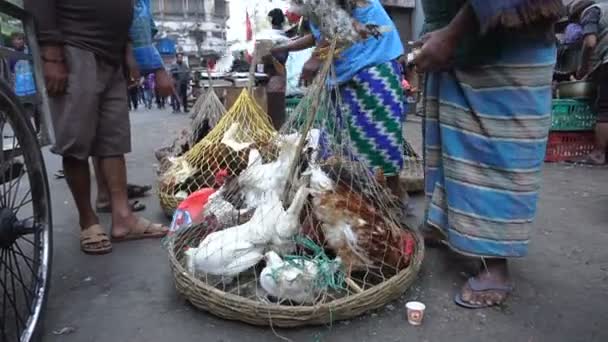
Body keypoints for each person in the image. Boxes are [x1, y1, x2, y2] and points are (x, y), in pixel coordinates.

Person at [414, 0, 563, 308]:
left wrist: (452, 34)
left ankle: (494, 264)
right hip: (461, 46)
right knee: (452, 147)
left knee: (495, 151)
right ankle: (443, 225)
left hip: (507, 40)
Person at [25, 0, 170, 255]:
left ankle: (123, 217)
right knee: (76, 139)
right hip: (74, 47)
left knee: (113, 139)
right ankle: (88, 221)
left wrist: (127, 50)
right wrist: (50, 52)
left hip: (112, 53)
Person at [273, 0, 407, 204]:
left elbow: (340, 26)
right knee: (342, 147)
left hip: (372, 70)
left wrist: (315, 59)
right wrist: (286, 46)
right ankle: (363, 201)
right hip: (347, 75)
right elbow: (320, 34)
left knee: (378, 145)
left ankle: (391, 202)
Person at [568, 0, 608, 165]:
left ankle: (598, 154)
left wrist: (583, 67)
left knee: (605, 109)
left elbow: (590, 42)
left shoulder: (592, 12)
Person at [261, 8, 290, 129]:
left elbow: (259, 58)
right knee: (278, 113)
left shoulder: (265, 37)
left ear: (270, 20)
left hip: (269, 78)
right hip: (281, 78)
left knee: (270, 113)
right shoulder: (287, 38)